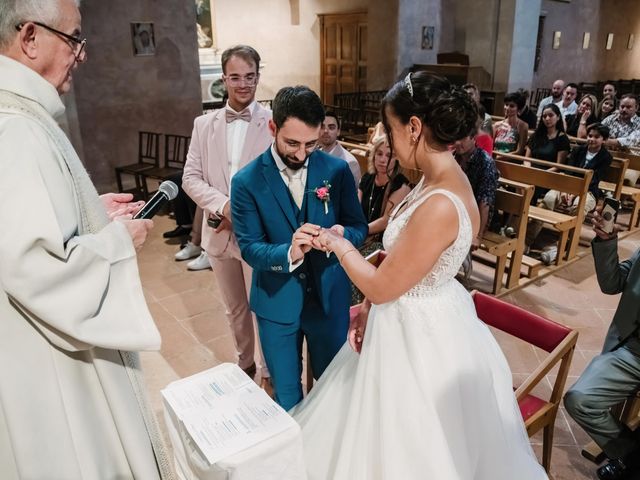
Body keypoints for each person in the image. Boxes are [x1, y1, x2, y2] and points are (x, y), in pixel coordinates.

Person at [290, 73, 547, 480]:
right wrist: (369, 307)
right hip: (402, 318)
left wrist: (335, 243)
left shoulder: (443, 202)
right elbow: (399, 260)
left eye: (391, 131)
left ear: (413, 127)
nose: (389, 145)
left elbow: (381, 281)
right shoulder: (430, 179)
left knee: (412, 446)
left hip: (422, 339)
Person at [0, 0, 173, 478]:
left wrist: (91, 212)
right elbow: (36, 268)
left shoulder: (19, 118)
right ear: (30, 37)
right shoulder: (15, 131)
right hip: (52, 371)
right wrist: (118, 241)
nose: (83, 54)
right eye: (75, 39)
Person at [230, 86, 367, 410]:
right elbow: (250, 248)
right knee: (287, 397)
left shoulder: (336, 170)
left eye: (311, 143)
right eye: (292, 143)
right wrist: (289, 252)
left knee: (333, 391)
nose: (302, 154)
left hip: (328, 300)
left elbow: (358, 226)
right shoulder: (246, 181)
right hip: (276, 305)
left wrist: (340, 233)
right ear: (273, 128)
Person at [183, 45, 272, 388]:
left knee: (260, 306)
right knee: (234, 307)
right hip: (219, 231)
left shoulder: (271, 123)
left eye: (250, 77)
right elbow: (190, 177)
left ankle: (267, 371)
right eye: (235, 77)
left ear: (258, 77)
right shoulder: (204, 125)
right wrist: (223, 206)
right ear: (224, 79)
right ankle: (245, 362)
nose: (243, 84)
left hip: (257, 233)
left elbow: (277, 178)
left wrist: (245, 213)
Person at [564, 209, 640, 480]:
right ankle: (631, 455)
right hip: (632, 352)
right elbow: (613, 283)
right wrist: (607, 240)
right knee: (580, 399)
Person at [318, 110, 361, 188]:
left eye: (331, 127)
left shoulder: (349, 162)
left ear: (338, 131)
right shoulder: (315, 155)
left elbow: (351, 196)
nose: (326, 131)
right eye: (322, 127)